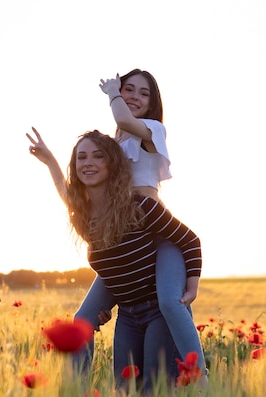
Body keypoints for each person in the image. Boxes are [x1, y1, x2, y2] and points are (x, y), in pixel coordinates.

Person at [28, 129, 202, 392]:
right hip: (127, 315)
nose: (89, 163)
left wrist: (191, 287)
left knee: (151, 395)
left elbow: (189, 240)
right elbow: (66, 193)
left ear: (113, 163)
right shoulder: (83, 216)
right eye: (82, 158)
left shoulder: (140, 206)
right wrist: (51, 160)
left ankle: (202, 387)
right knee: (123, 396)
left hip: (158, 312)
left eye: (98, 156)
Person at [81, 69, 209, 379]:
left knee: (168, 300)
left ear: (153, 103)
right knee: (83, 318)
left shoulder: (152, 129)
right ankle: (76, 390)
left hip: (156, 232)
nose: (135, 96)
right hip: (126, 235)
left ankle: (201, 376)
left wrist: (113, 92)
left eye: (144, 93)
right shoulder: (116, 141)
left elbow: (125, 120)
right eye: (129, 90)